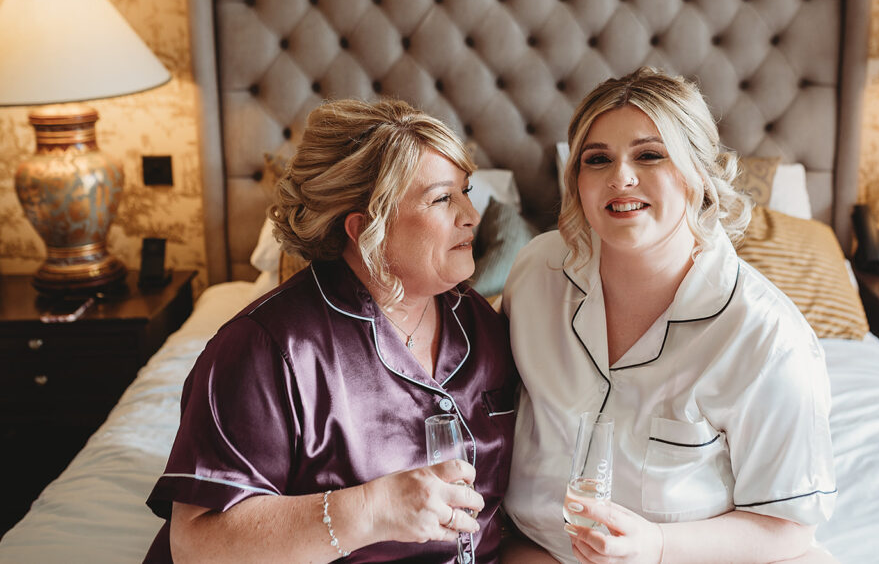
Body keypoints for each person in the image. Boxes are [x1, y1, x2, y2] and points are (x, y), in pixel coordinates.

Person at [144, 98, 517, 563]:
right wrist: (371, 510)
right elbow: (197, 544)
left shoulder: (482, 323)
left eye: (466, 191)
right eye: (443, 198)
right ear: (365, 229)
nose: (471, 216)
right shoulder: (266, 350)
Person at [500, 68, 837, 564]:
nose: (620, 177)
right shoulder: (535, 275)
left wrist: (658, 546)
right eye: (598, 159)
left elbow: (788, 529)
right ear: (577, 180)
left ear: (698, 173)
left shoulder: (766, 338)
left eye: (649, 154)